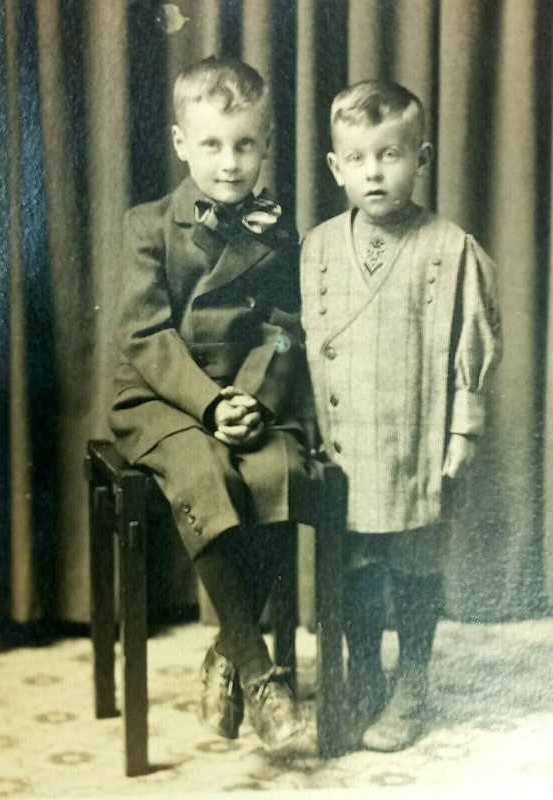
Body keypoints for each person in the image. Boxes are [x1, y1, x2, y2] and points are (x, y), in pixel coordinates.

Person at [108, 56, 315, 754]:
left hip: (250, 393)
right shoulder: (147, 226)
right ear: (180, 144)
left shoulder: (276, 229)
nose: (230, 164)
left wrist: (251, 396)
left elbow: (286, 328)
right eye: (212, 145)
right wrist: (208, 402)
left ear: (265, 144)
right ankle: (260, 675)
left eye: (245, 144)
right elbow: (145, 336)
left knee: (277, 470)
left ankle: (226, 652)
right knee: (206, 474)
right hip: (165, 397)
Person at [300, 80, 502, 752]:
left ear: (422, 157)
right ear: (336, 167)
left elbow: (472, 345)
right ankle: (366, 671)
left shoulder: (450, 247)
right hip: (346, 443)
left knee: (414, 562)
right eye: (358, 159)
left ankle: (412, 679)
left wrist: (464, 428)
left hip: (417, 441)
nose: (375, 172)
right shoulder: (320, 248)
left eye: (390, 155)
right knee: (357, 564)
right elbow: (302, 342)